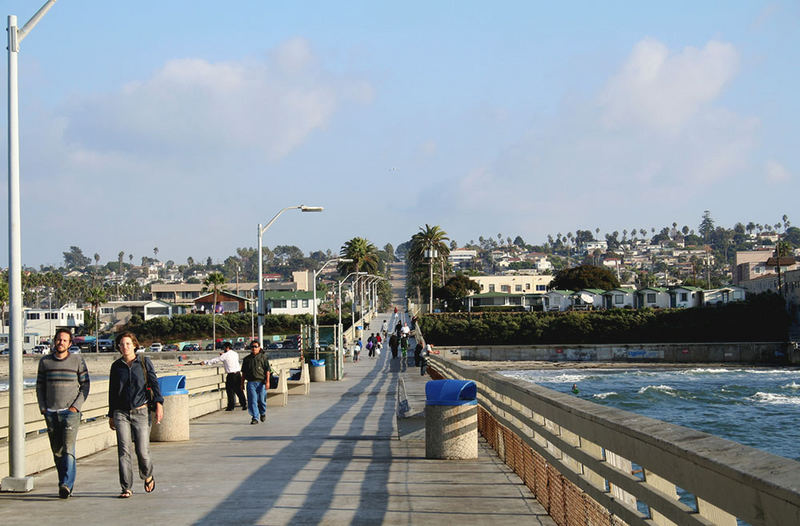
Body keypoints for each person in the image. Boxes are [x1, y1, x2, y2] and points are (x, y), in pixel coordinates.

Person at [108, 331, 163, 498]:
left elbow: (154, 384)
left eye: (128, 344)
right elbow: (112, 392)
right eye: (122, 344)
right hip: (120, 413)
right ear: (118, 347)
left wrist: (159, 404)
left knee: (142, 451)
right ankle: (126, 487)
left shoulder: (144, 363)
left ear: (134, 345)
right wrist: (111, 414)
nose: (125, 347)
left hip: (141, 410)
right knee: (124, 451)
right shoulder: (116, 366)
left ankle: (147, 475)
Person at [36, 328, 90, 499]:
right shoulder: (45, 362)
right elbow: (39, 387)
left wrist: (76, 406)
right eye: (58, 340)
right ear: (54, 341)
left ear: (70, 343)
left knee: (68, 449)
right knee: (57, 451)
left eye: (65, 340)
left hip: (70, 413)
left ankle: (67, 484)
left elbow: (85, 386)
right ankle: (62, 483)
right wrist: (43, 407)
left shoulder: (77, 361)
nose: (61, 343)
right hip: (51, 412)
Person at [202, 341, 246, 411]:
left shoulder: (225, 355)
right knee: (239, 390)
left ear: (227, 347)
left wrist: (205, 362)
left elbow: (216, 360)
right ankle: (244, 404)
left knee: (230, 391)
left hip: (231, 375)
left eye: (224, 348)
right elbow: (228, 357)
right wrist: (223, 354)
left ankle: (231, 406)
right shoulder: (235, 354)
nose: (223, 349)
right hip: (238, 374)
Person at [241, 340, 270, 424]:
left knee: (261, 400)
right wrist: (242, 383)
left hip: (261, 382)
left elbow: (267, 370)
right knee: (252, 400)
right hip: (251, 382)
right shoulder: (247, 359)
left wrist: (268, 382)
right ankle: (255, 417)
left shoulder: (263, 357)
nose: (254, 348)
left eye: (255, 346)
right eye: (252, 347)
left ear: (259, 348)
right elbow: (244, 372)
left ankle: (262, 413)